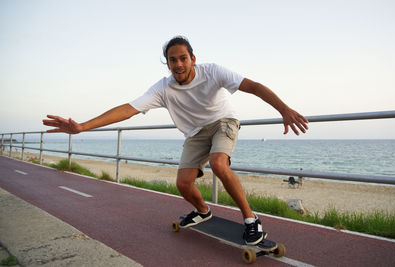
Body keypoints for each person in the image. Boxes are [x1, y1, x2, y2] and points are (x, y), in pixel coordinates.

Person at [43, 36, 309, 245]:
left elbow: (254, 87)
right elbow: (128, 108)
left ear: (193, 59)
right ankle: (203, 211)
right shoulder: (162, 88)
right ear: (167, 64)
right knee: (183, 185)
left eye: (183, 58)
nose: (179, 64)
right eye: (173, 60)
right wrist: (83, 127)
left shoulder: (214, 71)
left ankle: (251, 220)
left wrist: (283, 109)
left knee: (219, 164)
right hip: (195, 133)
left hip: (223, 122)